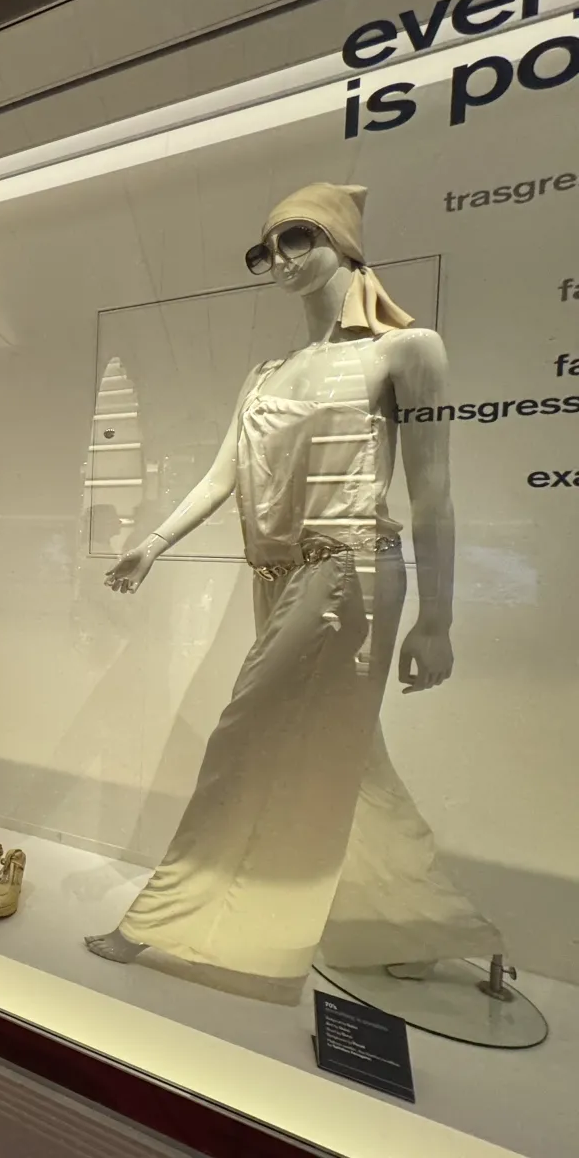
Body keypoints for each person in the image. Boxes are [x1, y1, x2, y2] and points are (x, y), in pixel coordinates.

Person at [88, 184, 501, 983]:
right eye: (265, 249)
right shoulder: (266, 375)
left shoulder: (406, 350)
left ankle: (165, 919)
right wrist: (155, 544)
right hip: (278, 577)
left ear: (343, 243)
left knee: (246, 736)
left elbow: (434, 495)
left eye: (297, 238)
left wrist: (438, 619)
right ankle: (414, 928)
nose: (278, 259)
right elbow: (223, 474)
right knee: (348, 752)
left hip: (350, 569)